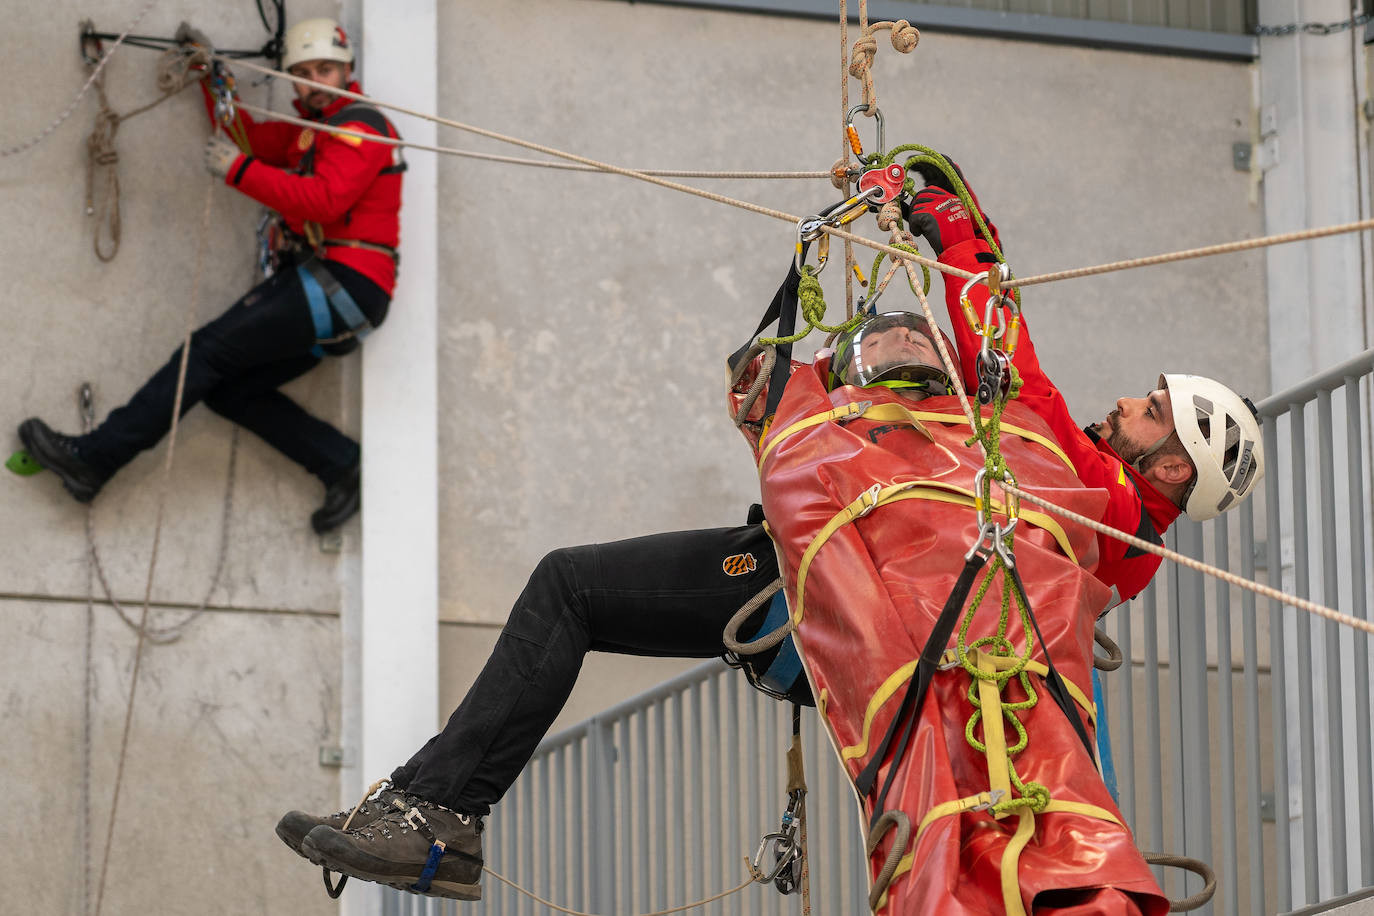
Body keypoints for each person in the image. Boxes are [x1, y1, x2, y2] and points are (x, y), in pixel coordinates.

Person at [274, 165, 1264, 901]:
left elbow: (1003, 345)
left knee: (571, 587)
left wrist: (950, 222)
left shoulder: (1090, 502)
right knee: (572, 585)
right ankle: (433, 813)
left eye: (1148, 412)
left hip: (825, 591)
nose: (1124, 404)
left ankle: (435, 817)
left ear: (1174, 467)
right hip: (848, 596)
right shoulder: (1079, 528)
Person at [16, 17, 404, 534]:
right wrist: (210, 78)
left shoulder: (358, 127)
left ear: (347, 69)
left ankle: (96, 457)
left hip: (344, 281)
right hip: (336, 289)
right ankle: (340, 463)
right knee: (228, 390)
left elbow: (326, 200)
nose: (314, 82)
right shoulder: (314, 131)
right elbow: (244, 135)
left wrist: (237, 171)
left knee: (206, 354)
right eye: (304, 72)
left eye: (326, 70)